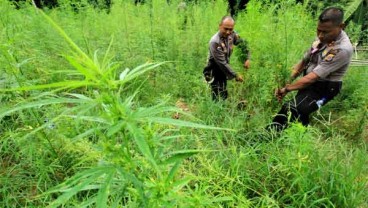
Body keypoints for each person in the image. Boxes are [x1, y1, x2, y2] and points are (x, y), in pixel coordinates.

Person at [268, 7, 353, 131]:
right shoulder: (322, 37)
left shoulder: (342, 49)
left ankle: (269, 135)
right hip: (308, 82)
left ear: (341, 26)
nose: (320, 35)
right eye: (318, 30)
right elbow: (303, 62)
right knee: (301, 112)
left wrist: (287, 88)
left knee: (292, 107)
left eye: (325, 32)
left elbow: (313, 77)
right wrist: (287, 80)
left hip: (325, 87)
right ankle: (301, 138)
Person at [203, 16, 250, 101]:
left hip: (223, 69)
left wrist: (247, 58)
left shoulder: (232, 34)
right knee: (218, 95)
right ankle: (215, 111)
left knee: (223, 93)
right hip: (214, 70)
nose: (228, 32)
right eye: (225, 29)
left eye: (231, 29)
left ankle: (219, 109)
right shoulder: (215, 42)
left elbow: (243, 44)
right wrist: (235, 75)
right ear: (220, 26)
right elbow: (222, 63)